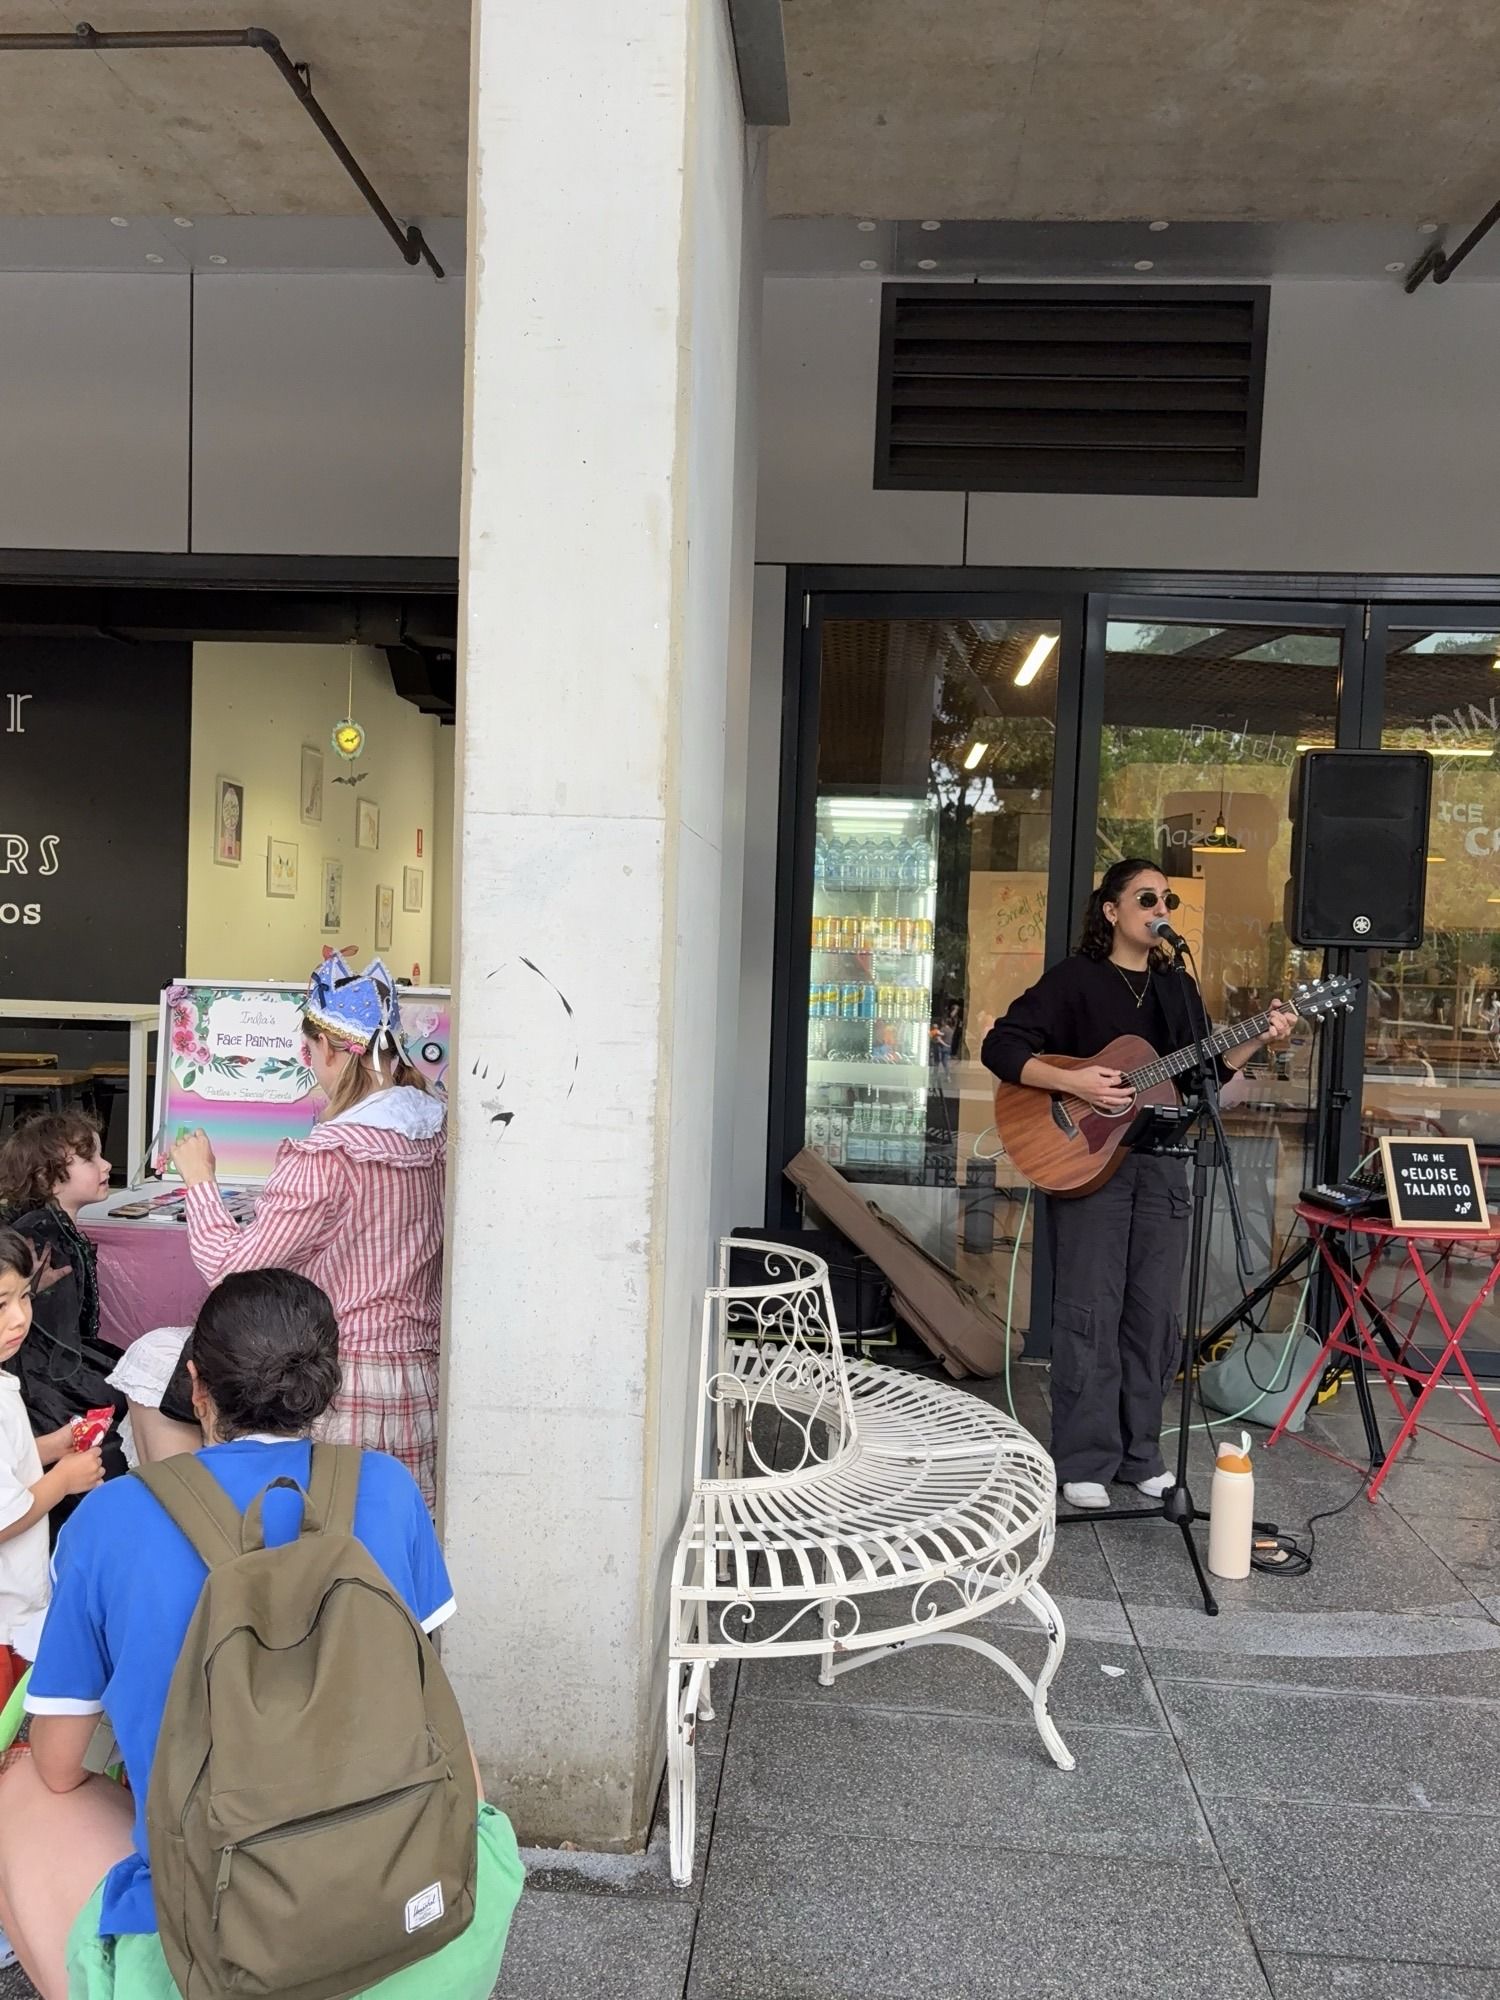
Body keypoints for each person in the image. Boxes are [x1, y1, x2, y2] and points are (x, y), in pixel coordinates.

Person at [0, 1267, 522, 2000]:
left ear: (197, 1385)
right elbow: (424, 1688)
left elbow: (61, 1768)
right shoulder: (388, 1488)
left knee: (23, 1785)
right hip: (425, 1913)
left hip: (219, 1955)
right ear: (326, 1384)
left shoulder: (110, 1521)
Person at [982, 858, 1296, 1510]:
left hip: (1161, 1165)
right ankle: (1084, 1459)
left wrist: (1255, 1041)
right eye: (1147, 897)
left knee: (1153, 1319)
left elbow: (1202, 1077)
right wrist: (1074, 1083)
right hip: (1088, 1167)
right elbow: (1002, 1046)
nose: (1161, 909)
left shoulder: (1176, 989)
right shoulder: (1075, 981)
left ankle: (1141, 1455)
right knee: (1090, 1314)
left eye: (1168, 900)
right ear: (1112, 911)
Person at [113, 955, 446, 1507]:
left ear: (334, 1050)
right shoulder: (433, 1135)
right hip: (419, 1383)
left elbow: (232, 1270)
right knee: (388, 1550)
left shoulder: (330, 1154)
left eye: (310, 1052)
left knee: (316, 1553)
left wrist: (201, 1181)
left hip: (341, 1388)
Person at [0, 1114, 128, 1518]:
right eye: (90, 1158)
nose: (106, 1165)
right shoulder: (40, 1232)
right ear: (48, 1177)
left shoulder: (57, 1227)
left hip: (63, 1357)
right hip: (44, 1372)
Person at [1, 1227, 106, 1707]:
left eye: (24, 1296)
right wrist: (63, 1481)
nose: (20, 1318)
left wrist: (52, 1447)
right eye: (0, 1304)